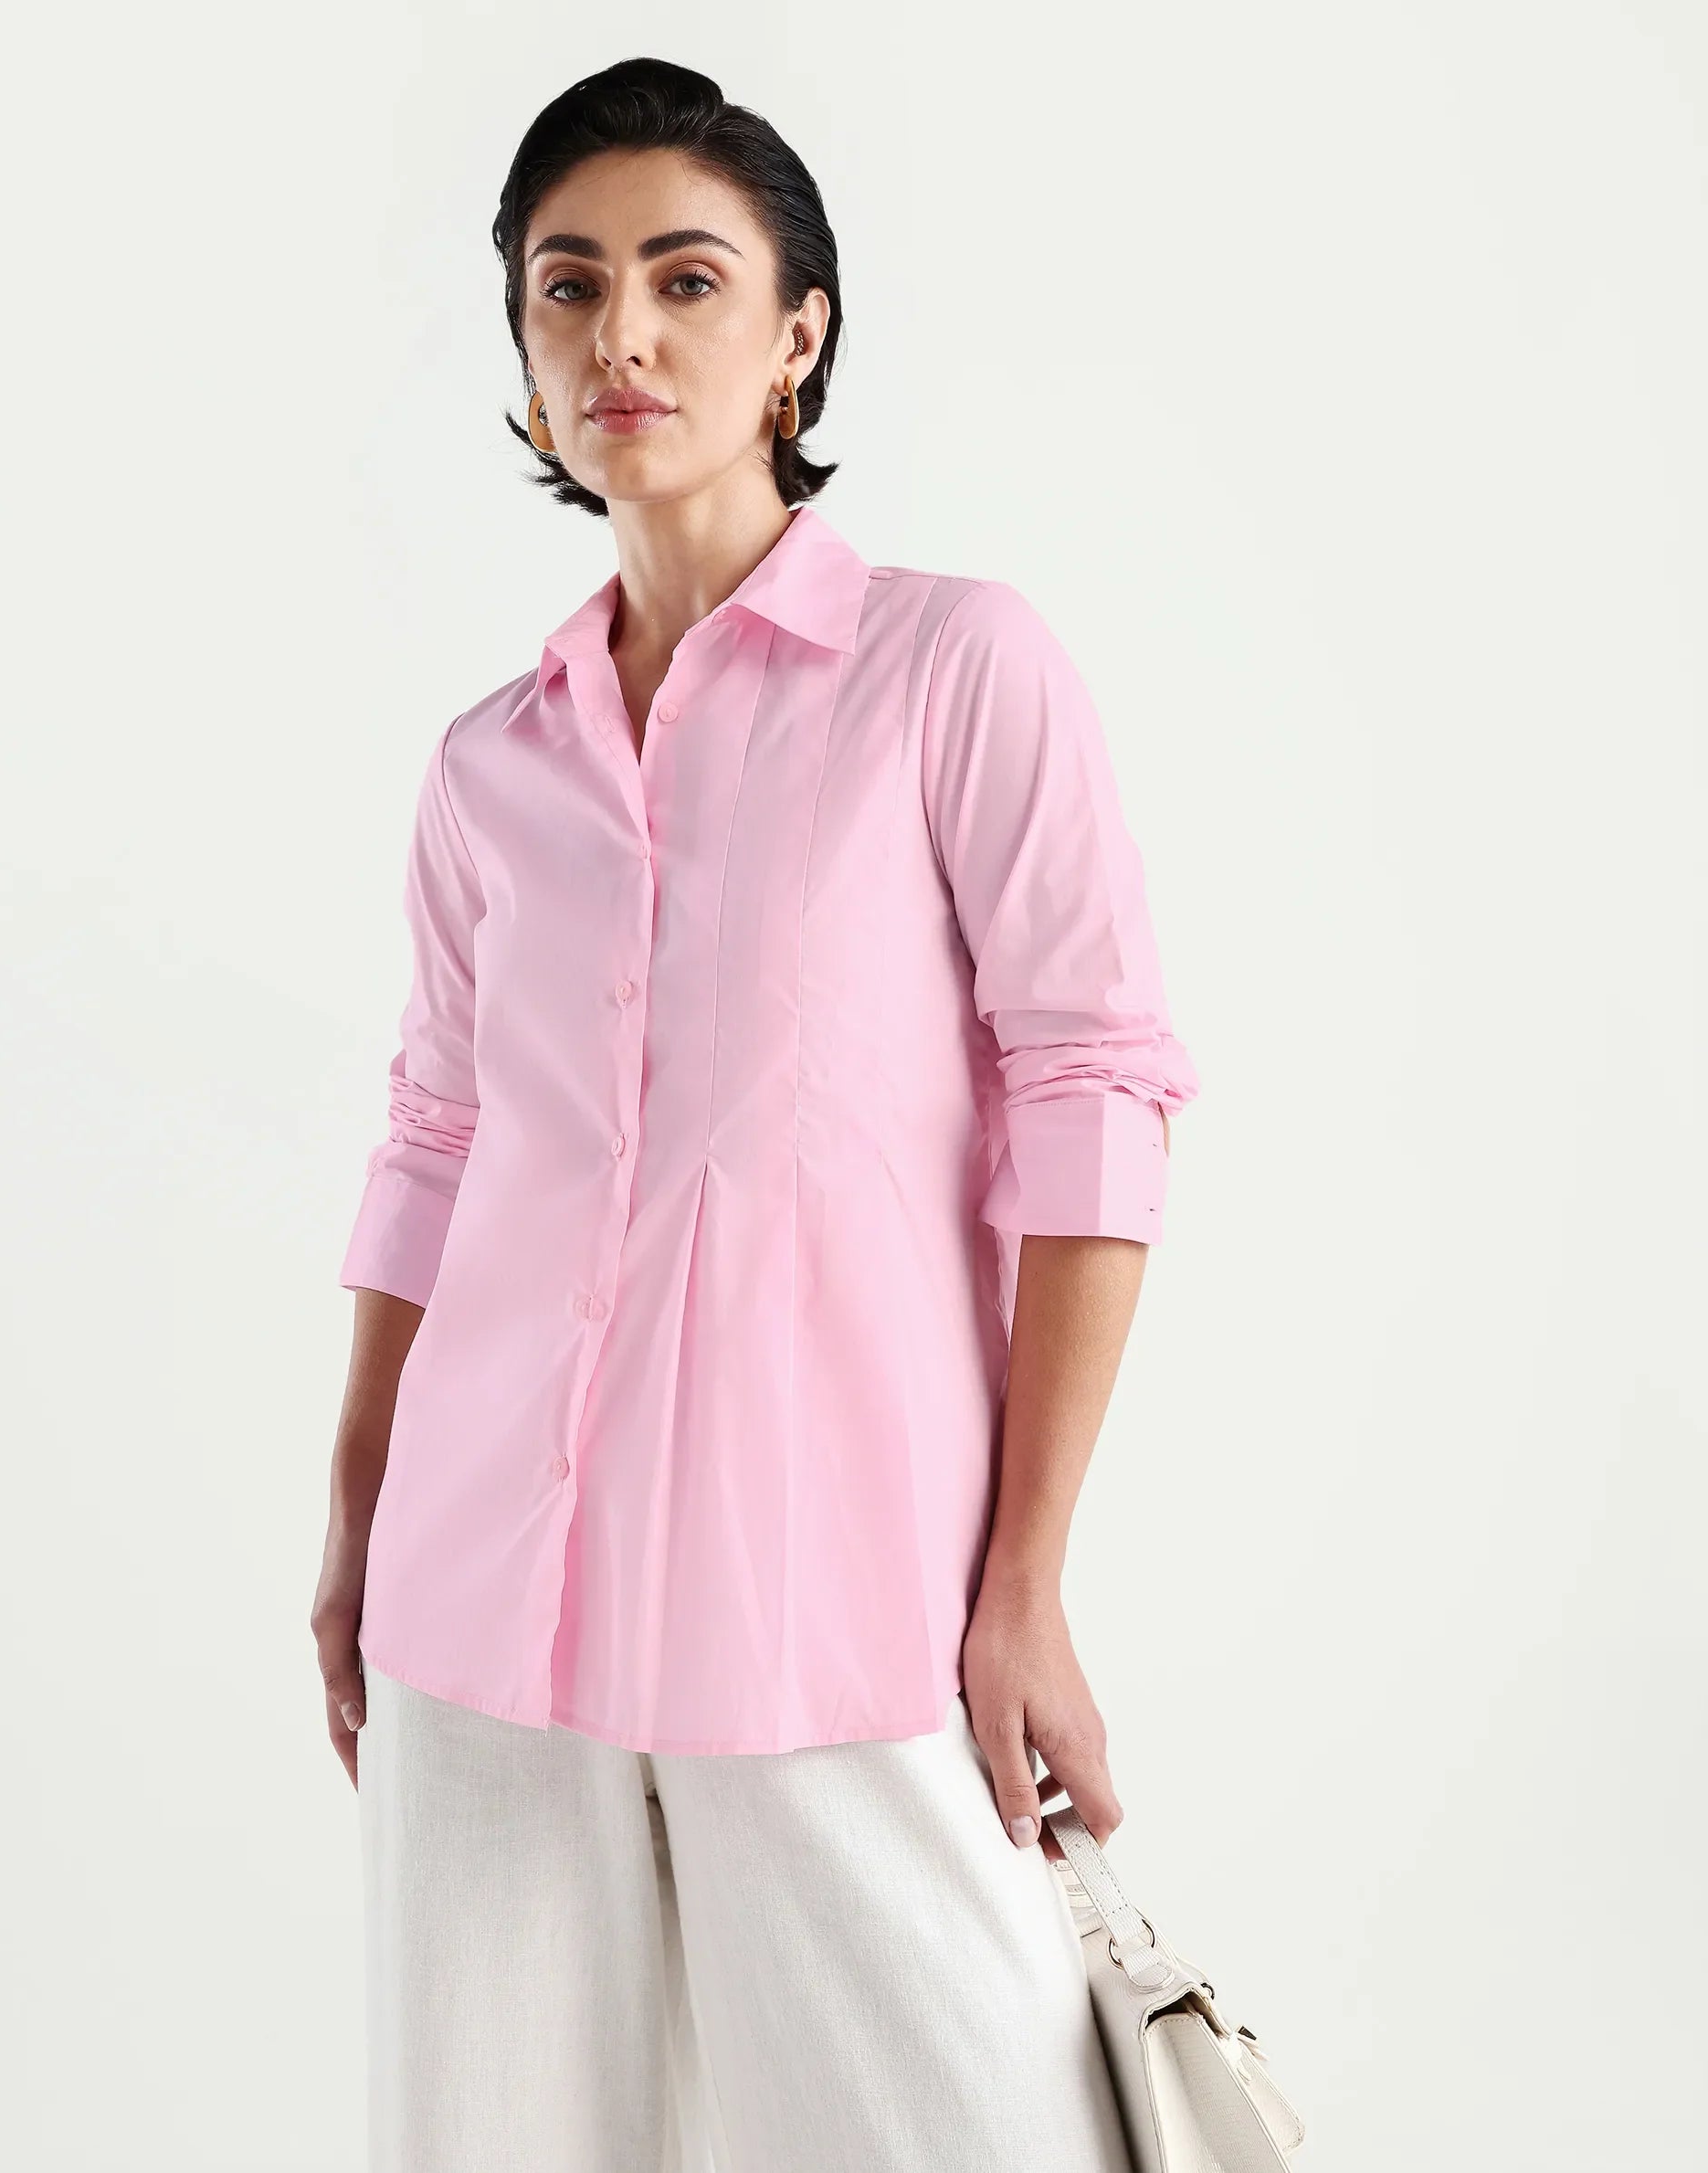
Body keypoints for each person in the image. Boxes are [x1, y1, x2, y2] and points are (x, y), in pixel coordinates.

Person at [312, 53, 1201, 2173]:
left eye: (686, 279)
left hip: (837, 1601)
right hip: (478, 1603)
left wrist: (1027, 1576)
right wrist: (354, 1513)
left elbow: (1095, 1090)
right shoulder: (488, 765)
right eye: (568, 286)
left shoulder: (953, 671)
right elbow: (437, 1136)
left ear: (798, 334)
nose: (621, 333)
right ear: (524, 348)